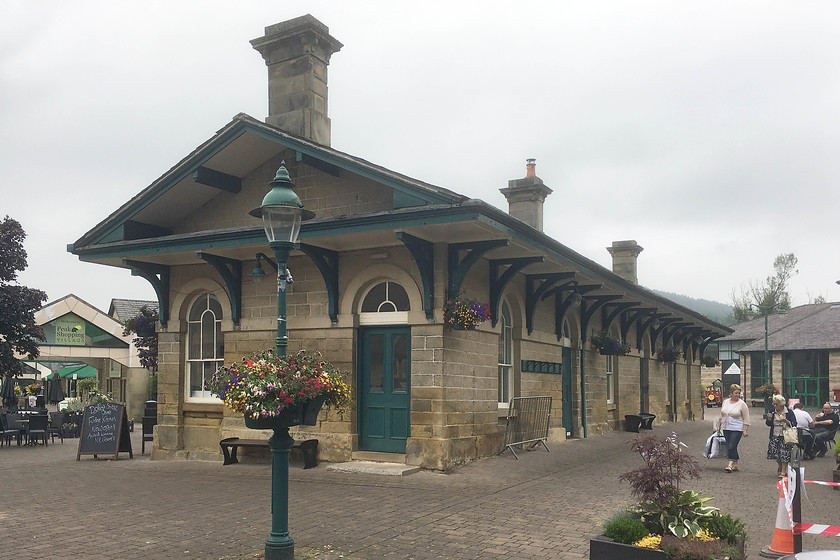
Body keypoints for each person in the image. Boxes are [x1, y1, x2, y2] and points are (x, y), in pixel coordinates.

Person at [716, 384, 750, 473]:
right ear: (731, 393)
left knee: (732, 445)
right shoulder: (725, 402)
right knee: (730, 446)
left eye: (739, 393)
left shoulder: (742, 404)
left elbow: (746, 417)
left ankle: (730, 465)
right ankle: (735, 463)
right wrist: (719, 424)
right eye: (736, 393)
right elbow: (722, 414)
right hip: (726, 426)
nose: (737, 395)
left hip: (737, 427)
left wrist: (745, 430)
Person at [766, 393, 796, 478]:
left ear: (781, 404)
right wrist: (769, 419)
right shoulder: (772, 411)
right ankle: (780, 465)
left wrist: (786, 421)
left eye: (776, 404)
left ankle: (783, 471)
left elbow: (794, 424)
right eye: (773, 404)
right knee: (774, 452)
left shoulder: (789, 412)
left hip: (786, 435)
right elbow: (768, 424)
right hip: (775, 434)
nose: (774, 405)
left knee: (784, 453)